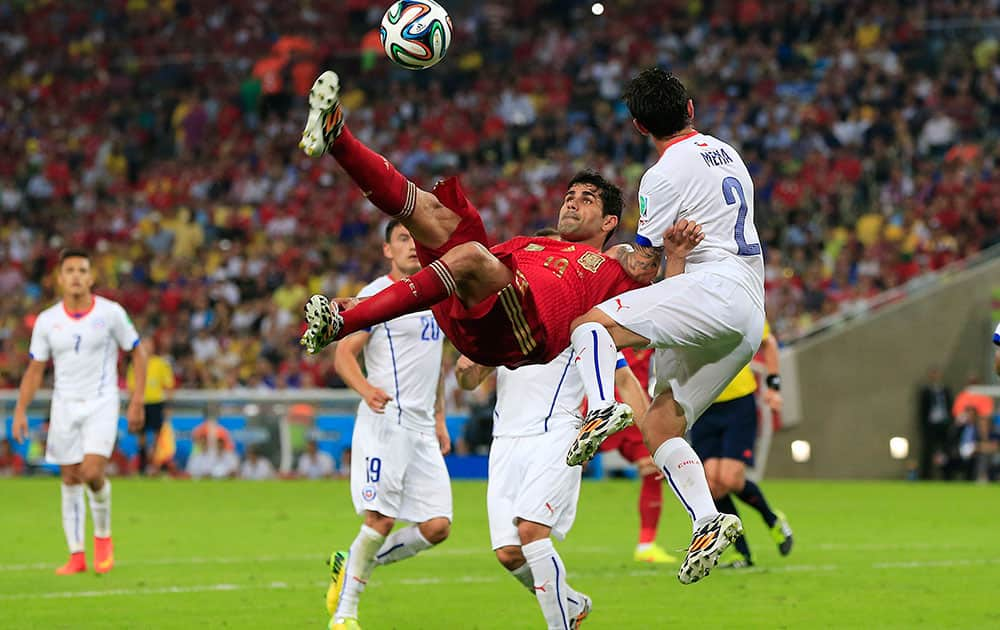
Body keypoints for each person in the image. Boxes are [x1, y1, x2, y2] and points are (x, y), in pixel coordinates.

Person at [296, 70, 669, 369]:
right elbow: (448, 278)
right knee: (435, 214)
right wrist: (367, 299)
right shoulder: (529, 244)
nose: (571, 204)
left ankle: (345, 323)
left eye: (586, 200)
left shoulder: (613, 262)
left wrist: (665, 213)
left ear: (608, 222)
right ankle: (338, 137)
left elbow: (647, 266)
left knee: (472, 253)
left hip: (527, 331)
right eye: (569, 197)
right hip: (481, 316)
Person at [564, 67, 766, 584]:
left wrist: (620, 250)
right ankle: (706, 520)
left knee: (589, 323)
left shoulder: (661, 175)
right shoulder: (730, 155)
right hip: (745, 310)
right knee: (659, 424)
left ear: (637, 126)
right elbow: (672, 268)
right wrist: (673, 256)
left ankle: (603, 406)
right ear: (691, 109)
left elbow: (644, 268)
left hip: (712, 292)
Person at [450, 224, 687, 629]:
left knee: (531, 532)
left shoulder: (581, 324)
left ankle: (560, 623)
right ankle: (571, 604)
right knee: (508, 554)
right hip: (506, 441)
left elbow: (624, 380)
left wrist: (655, 440)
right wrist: (468, 366)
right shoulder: (514, 325)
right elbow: (469, 379)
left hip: (559, 436)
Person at [324, 219, 451, 630]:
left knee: (436, 527)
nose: (412, 245)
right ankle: (345, 614)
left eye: (416, 238)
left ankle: (353, 563)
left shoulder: (437, 294)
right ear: (387, 250)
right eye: (402, 239)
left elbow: (435, 364)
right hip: (386, 421)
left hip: (420, 426)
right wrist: (365, 389)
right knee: (380, 520)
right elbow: (344, 353)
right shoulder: (377, 295)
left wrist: (439, 417)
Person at [12, 248, 147, 575]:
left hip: (101, 402)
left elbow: (138, 353)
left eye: (81, 270)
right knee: (70, 477)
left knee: (90, 472)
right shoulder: (48, 321)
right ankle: (76, 555)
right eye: (69, 270)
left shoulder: (111, 313)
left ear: (91, 277)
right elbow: (35, 370)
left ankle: (102, 537)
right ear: (59, 279)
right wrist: (20, 410)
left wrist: (137, 400)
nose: (75, 276)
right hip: (64, 405)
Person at [690, 321, 793, 568]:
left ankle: (773, 520)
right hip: (702, 404)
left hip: (738, 402)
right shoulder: (687, 303)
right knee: (712, 485)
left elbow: (768, 343)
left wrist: (773, 386)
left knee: (730, 479)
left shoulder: (738, 298)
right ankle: (742, 553)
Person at [598, 347, 677, 564]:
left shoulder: (649, 329)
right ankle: (533, 528)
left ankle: (646, 545)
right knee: (566, 464)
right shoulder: (615, 327)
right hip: (603, 406)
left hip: (634, 407)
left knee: (651, 468)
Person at [127, 337, 176, 475]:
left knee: (157, 436)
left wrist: (168, 406)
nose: (147, 347)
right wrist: (134, 405)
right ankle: (142, 466)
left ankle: (156, 465)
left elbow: (168, 385)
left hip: (156, 402)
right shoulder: (135, 364)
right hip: (141, 403)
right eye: (144, 344)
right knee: (141, 436)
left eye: (149, 344)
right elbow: (131, 387)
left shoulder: (160, 363)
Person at [917, 367, 954, 480]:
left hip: (943, 424)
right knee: (928, 450)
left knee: (945, 450)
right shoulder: (926, 391)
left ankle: (946, 476)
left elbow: (950, 407)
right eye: (933, 374)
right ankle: (926, 476)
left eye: (937, 374)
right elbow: (922, 410)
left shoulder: (946, 390)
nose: (935, 376)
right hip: (931, 425)